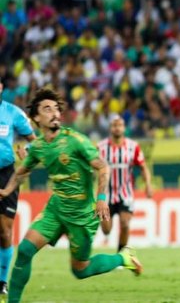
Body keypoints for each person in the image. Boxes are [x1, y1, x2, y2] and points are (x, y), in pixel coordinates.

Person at [1, 87, 143, 303]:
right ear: (36, 117)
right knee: (25, 250)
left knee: (80, 270)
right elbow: (21, 172)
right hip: (56, 210)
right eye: (47, 109)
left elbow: (103, 167)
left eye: (56, 108)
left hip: (82, 216)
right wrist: (6, 191)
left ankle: (123, 258)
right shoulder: (38, 146)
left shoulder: (76, 140)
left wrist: (102, 199)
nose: (54, 113)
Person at [0, 79, 36, 298]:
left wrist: (28, 152)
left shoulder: (13, 113)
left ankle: (1, 281)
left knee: (4, 231)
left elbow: (35, 140)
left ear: (1, 87)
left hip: (6, 174)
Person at [97, 115, 153, 251]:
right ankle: (110, 237)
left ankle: (121, 255)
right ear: (110, 128)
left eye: (120, 125)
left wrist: (148, 185)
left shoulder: (133, 147)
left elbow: (143, 167)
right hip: (107, 195)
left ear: (124, 128)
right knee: (106, 230)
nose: (117, 128)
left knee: (125, 222)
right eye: (114, 125)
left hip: (125, 193)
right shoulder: (100, 148)